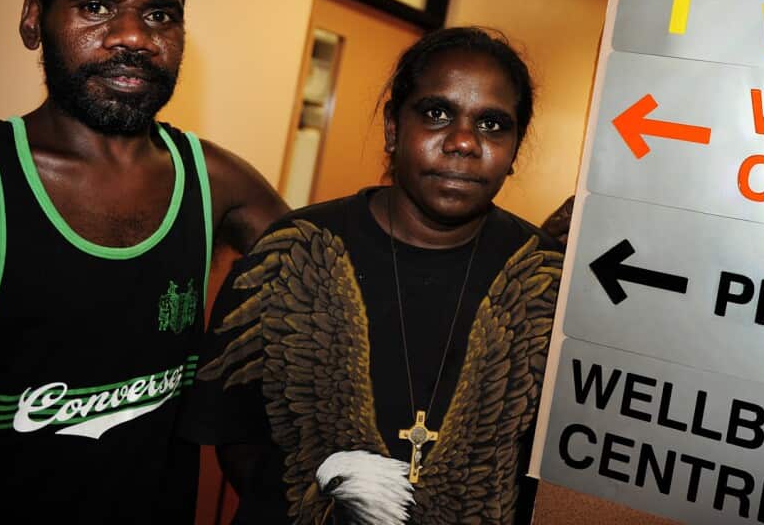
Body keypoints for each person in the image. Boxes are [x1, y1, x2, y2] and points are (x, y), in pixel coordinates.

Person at [0, 0, 288, 522]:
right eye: (97, 7)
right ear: (34, 20)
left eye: (159, 15)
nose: (133, 36)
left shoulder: (216, 182)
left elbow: (341, 279)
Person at [184, 27, 564, 524]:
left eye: (492, 125)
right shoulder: (291, 252)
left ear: (515, 149)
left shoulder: (547, 281)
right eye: (437, 114)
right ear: (392, 128)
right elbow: (239, 441)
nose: (464, 142)